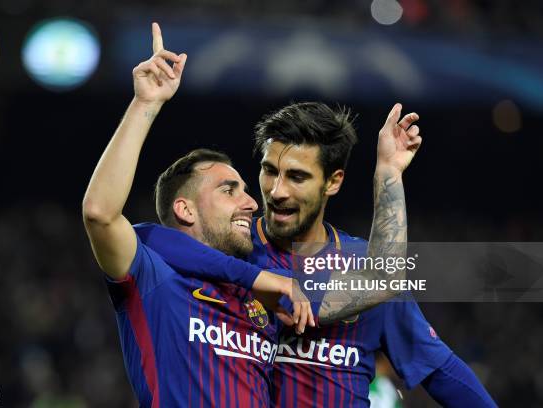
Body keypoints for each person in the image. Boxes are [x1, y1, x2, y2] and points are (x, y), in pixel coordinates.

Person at [142, 100, 497, 407]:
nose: (277, 191)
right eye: (269, 171)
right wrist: (256, 277)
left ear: (333, 181)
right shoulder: (231, 247)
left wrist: (388, 172)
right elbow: (149, 240)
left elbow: (440, 370)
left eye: (297, 177)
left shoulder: (364, 265)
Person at [82, 23, 314, 407]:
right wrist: (146, 104)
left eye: (245, 189)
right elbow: (100, 213)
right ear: (184, 209)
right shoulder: (153, 276)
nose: (252, 202)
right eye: (228, 190)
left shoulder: (260, 299)